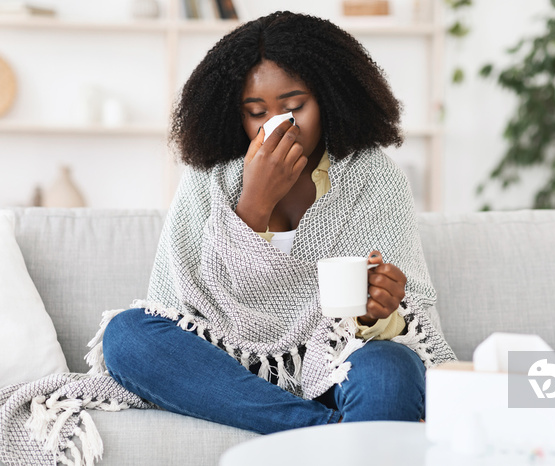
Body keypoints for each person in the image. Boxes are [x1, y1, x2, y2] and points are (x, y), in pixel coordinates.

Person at [101, 10, 456, 435]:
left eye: (294, 107)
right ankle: (321, 433)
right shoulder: (209, 177)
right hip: (226, 363)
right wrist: (253, 203)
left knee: (391, 368)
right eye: (256, 112)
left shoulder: (374, 176)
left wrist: (378, 313)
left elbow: (408, 321)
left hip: (334, 363)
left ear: (329, 99)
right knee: (126, 336)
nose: (276, 126)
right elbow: (175, 305)